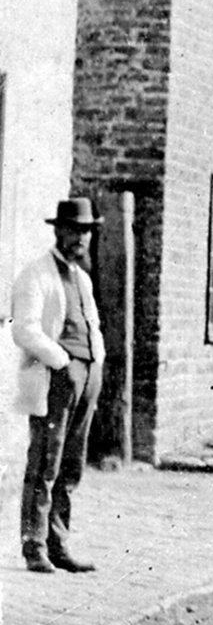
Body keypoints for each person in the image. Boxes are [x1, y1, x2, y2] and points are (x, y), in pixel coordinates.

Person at [13, 197, 107, 575]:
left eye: (86, 231)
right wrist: (61, 361)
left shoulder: (82, 278)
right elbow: (25, 329)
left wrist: (96, 363)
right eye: (73, 229)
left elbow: (92, 325)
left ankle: (58, 543)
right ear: (58, 230)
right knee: (45, 463)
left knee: (71, 465)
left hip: (87, 377)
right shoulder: (36, 274)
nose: (80, 237)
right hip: (56, 377)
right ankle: (34, 545)